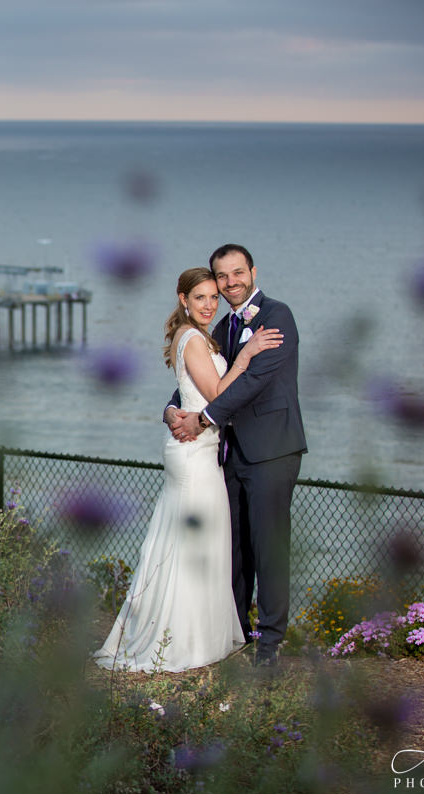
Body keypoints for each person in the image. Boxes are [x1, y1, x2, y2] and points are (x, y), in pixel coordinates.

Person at [94, 267, 281, 673]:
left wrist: (171, 409)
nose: (210, 304)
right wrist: (247, 355)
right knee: (193, 545)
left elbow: (190, 393)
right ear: (183, 299)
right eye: (201, 297)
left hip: (199, 449)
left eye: (214, 297)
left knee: (192, 542)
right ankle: (180, 642)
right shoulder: (193, 338)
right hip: (194, 454)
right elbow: (217, 394)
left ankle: (195, 637)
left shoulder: (194, 336)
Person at [166, 244, 306, 668]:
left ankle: (270, 644)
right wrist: (171, 409)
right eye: (221, 277)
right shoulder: (222, 327)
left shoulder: (277, 316)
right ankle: (236, 633)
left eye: (237, 273)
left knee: (269, 548)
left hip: (271, 452)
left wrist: (203, 418)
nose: (230, 283)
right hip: (229, 455)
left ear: (252, 271)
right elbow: (204, 379)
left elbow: (256, 381)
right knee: (236, 550)